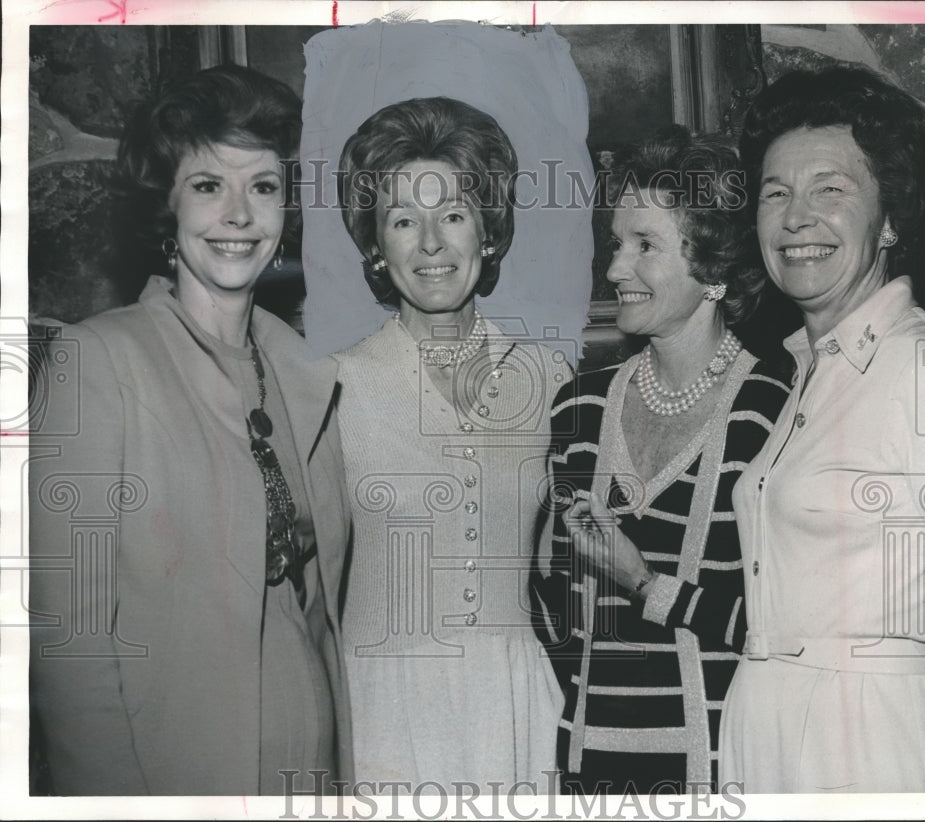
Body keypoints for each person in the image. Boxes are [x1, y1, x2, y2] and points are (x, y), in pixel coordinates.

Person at [29, 65, 353, 795]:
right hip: (175, 769)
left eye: (263, 187)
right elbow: (68, 640)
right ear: (166, 208)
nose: (238, 214)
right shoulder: (97, 360)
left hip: (315, 763)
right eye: (209, 186)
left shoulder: (306, 372)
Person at [719, 66, 925, 793]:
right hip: (764, 732)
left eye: (830, 190)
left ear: (890, 218)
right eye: (777, 193)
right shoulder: (805, 370)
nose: (796, 217)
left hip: (873, 743)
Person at [542, 127, 791, 794]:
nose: (616, 268)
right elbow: (552, 613)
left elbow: (783, 633)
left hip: (728, 770)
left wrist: (645, 584)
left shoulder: (773, 414)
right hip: (587, 768)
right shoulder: (579, 409)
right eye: (616, 245)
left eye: (644, 246)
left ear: (711, 268)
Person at [335, 97, 569, 791]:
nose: (431, 244)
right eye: (404, 220)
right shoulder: (331, 388)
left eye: (455, 216)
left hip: (515, 706)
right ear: (376, 246)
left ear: (488, 235)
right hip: (383, 711)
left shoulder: (550, 377)